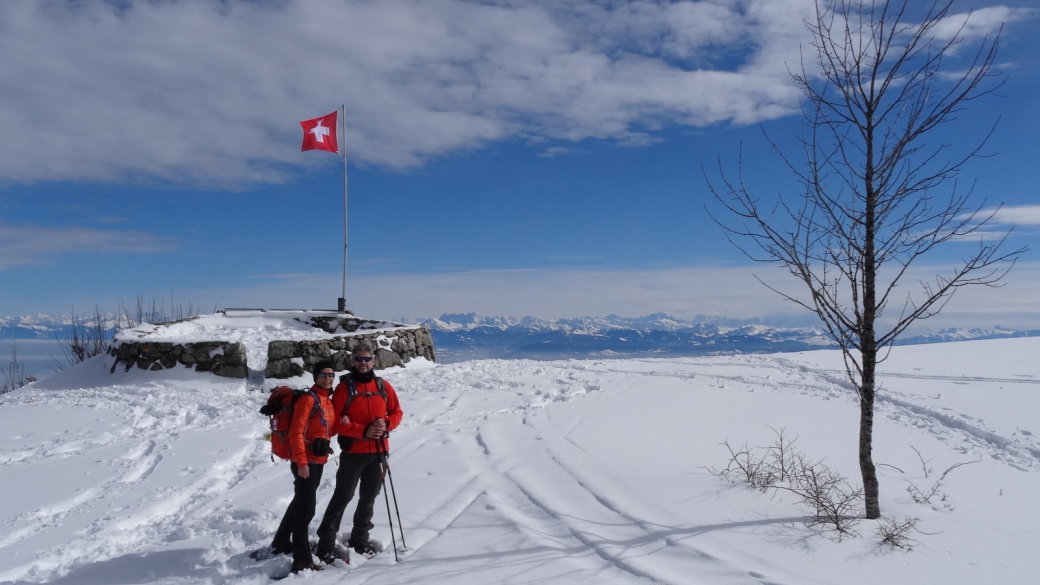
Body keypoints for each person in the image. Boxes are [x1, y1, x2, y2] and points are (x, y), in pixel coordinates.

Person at [315, 344, 403, 563]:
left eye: (367, 359)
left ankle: (360, 539)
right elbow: (333, 423)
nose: (363, 363)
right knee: (343, 497)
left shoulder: (383, 386)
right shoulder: (345, 389)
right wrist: (363, 430)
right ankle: (325, 543)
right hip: (354, 452)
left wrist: (387, 423)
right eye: (359, 359)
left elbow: (397, 412)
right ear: (352, 361)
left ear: (374, 361)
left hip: (379, 452)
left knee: (369, 498)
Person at [269, 360, 337, 574]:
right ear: (315, 377)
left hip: (317, 460)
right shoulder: (308, 399)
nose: (328, 378)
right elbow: (296, 432)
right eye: (324, 374)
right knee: (306, 510)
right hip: (305, 461)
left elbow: (324, 429)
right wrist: (301, 462)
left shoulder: (326, 400)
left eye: (331, 374)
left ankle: (281, 541)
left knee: (301, 502)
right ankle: (302, 559)